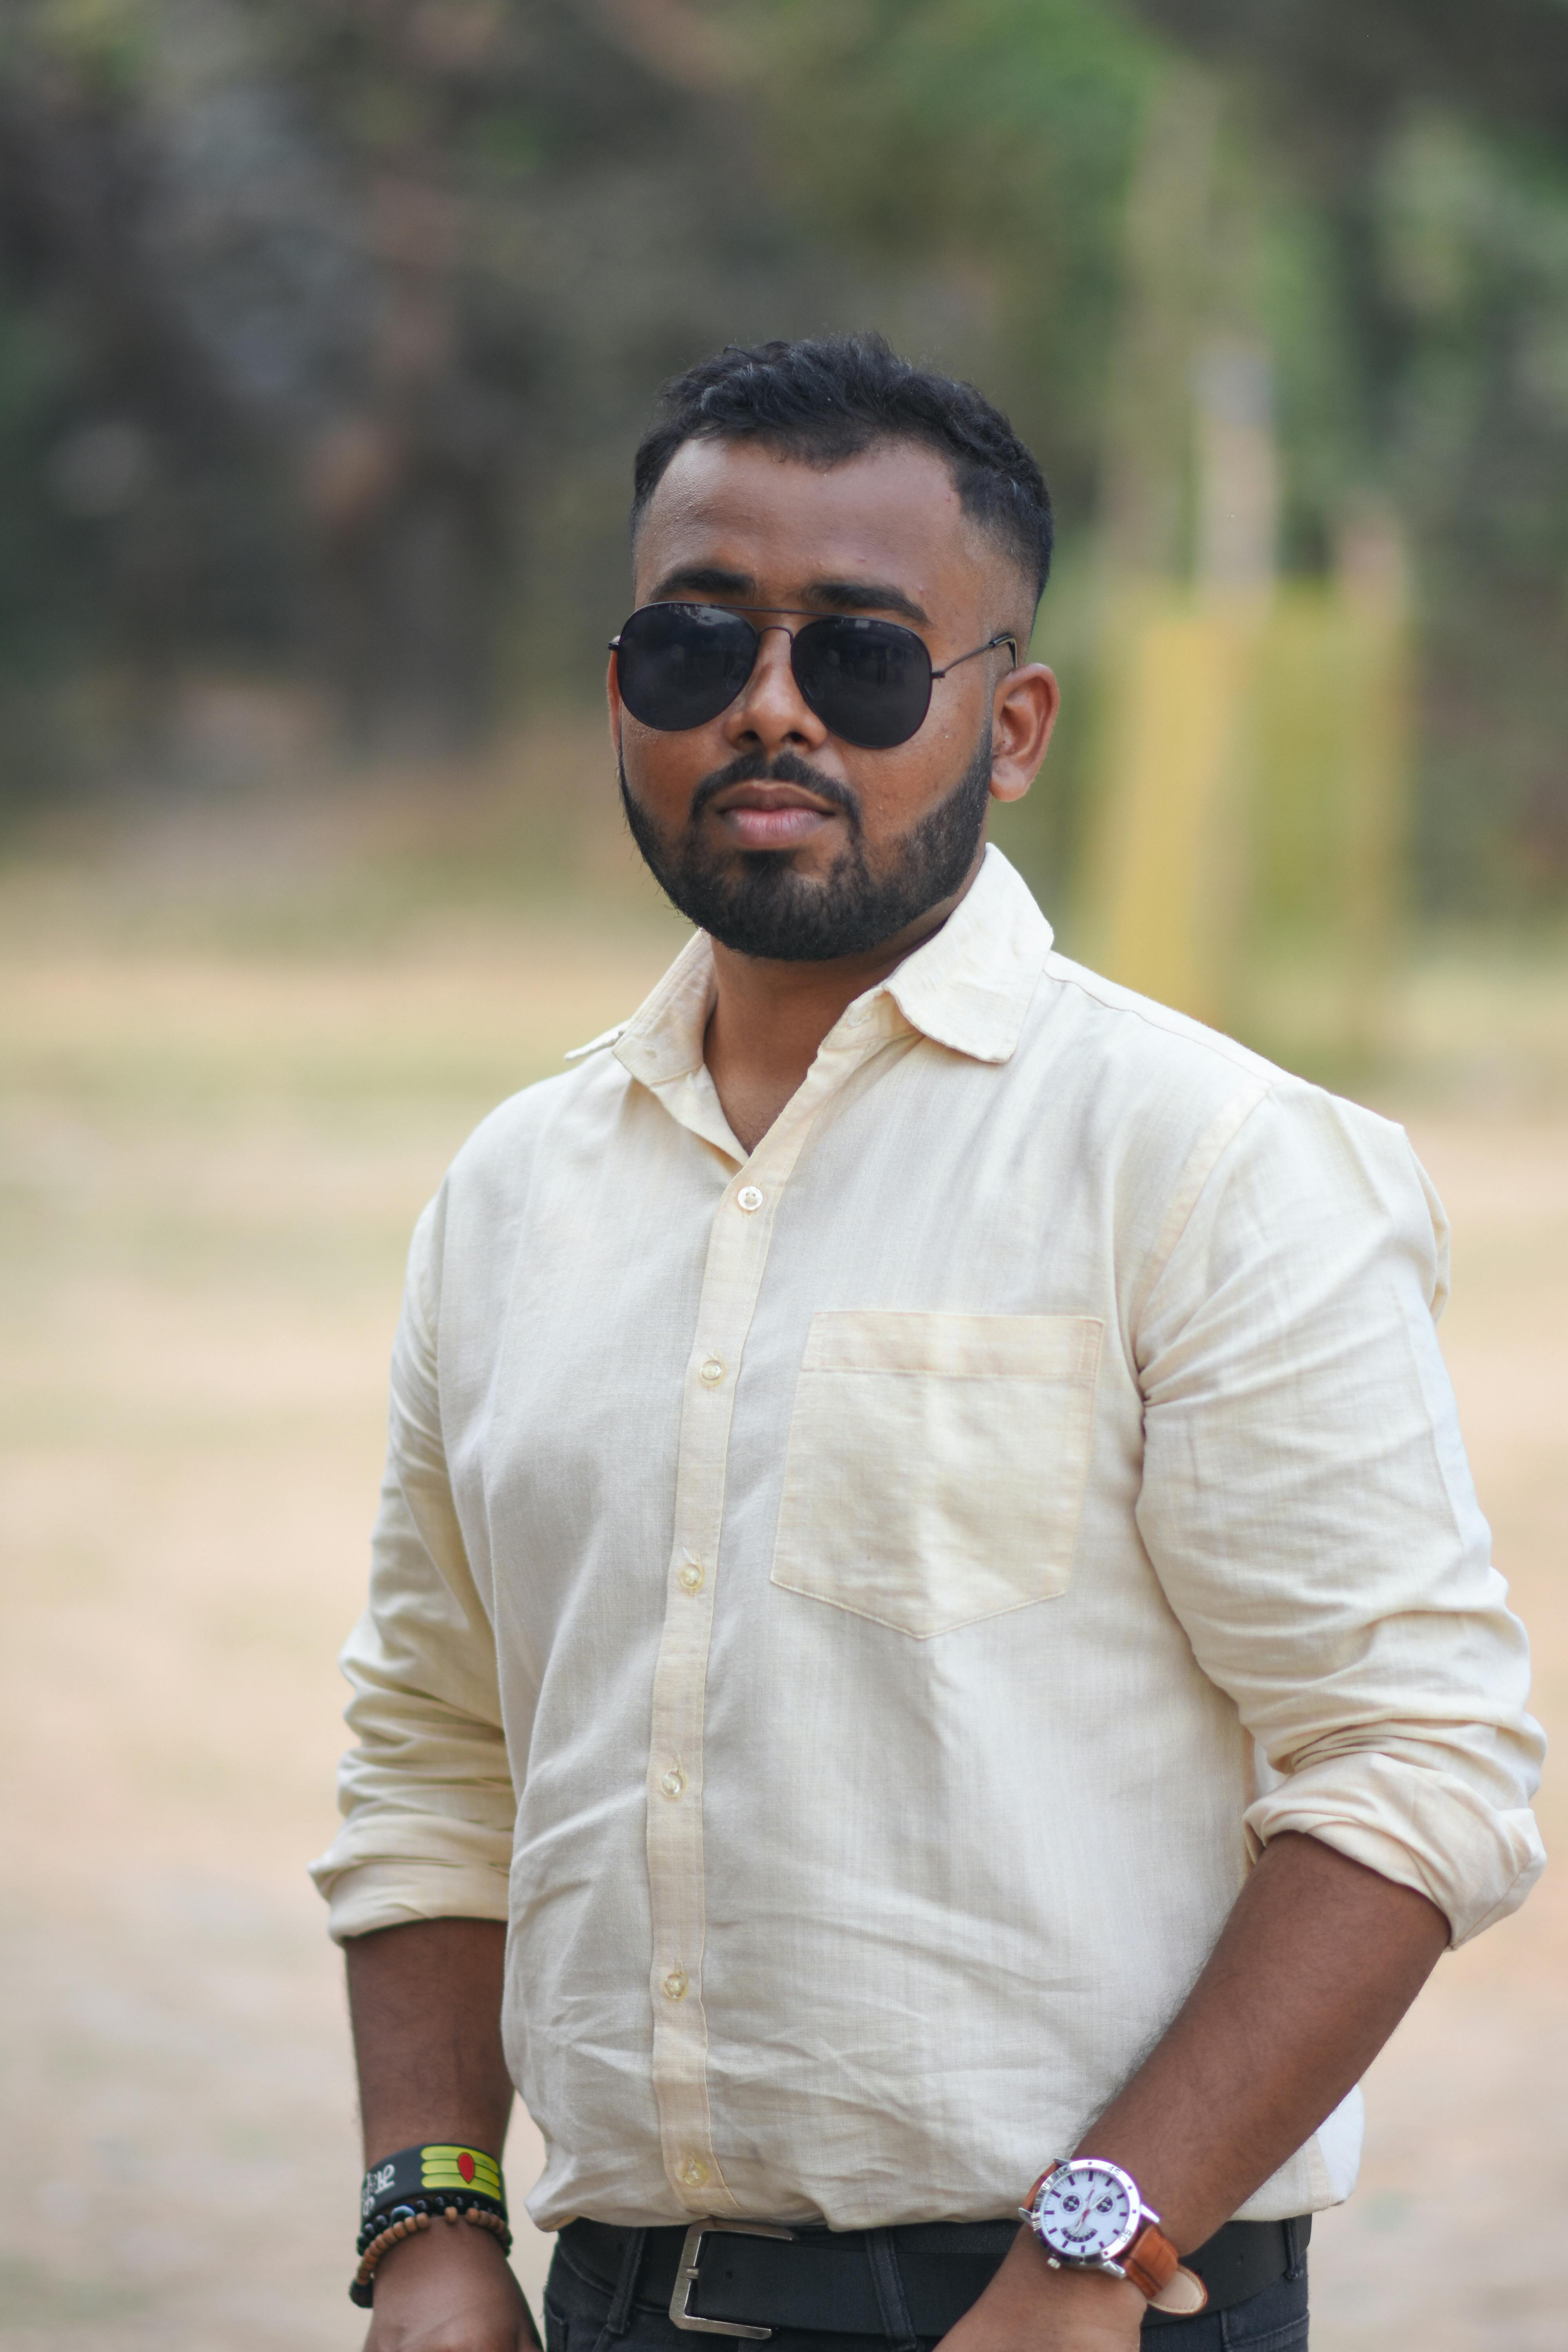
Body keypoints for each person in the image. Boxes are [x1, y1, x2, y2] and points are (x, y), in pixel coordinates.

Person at [311, 333, 1544, 2352]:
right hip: (605, 2301)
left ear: (1018, 721)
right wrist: (431, 2223)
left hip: (1079, 2304)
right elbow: (440, 1753)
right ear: (624, 689)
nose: (771, 711)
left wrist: (1094, 2250)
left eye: (865, 658)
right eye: (696, 651)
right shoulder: (514, 1193)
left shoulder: (1205, 1163)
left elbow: (1413, 1764)